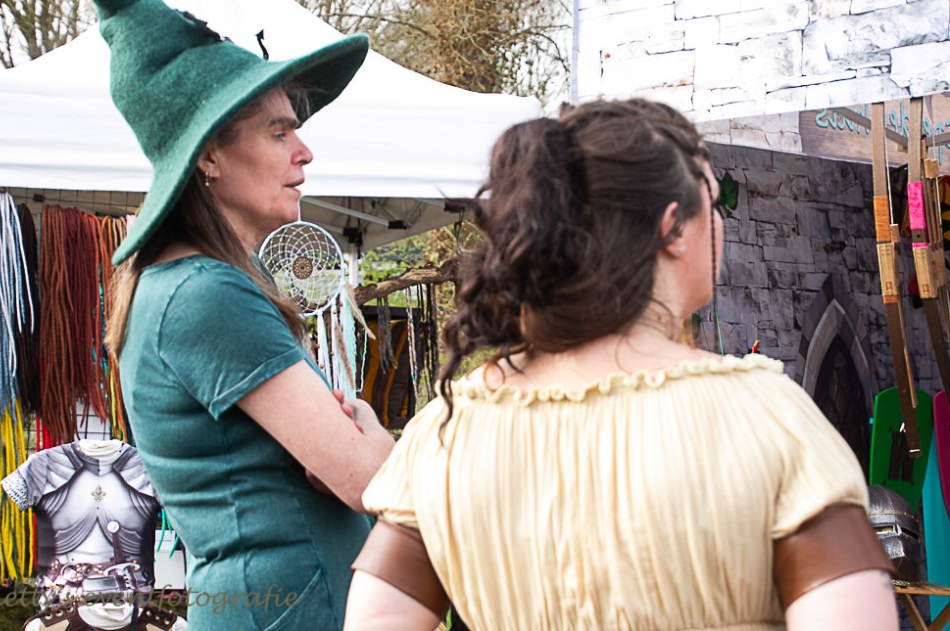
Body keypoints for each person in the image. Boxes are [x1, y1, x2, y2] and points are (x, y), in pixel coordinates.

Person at [344, 98, 897, 630]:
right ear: (672, 229)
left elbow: (376, 621)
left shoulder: (446, 434)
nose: (720, 223)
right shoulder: (769, 418)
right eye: (712, 201)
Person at [68, 0, 394, 630]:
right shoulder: (204, 294)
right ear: (209, 155)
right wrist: (375, 440)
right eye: (279, 131)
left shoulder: (191, 285)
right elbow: (370, 482)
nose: (305, 151)